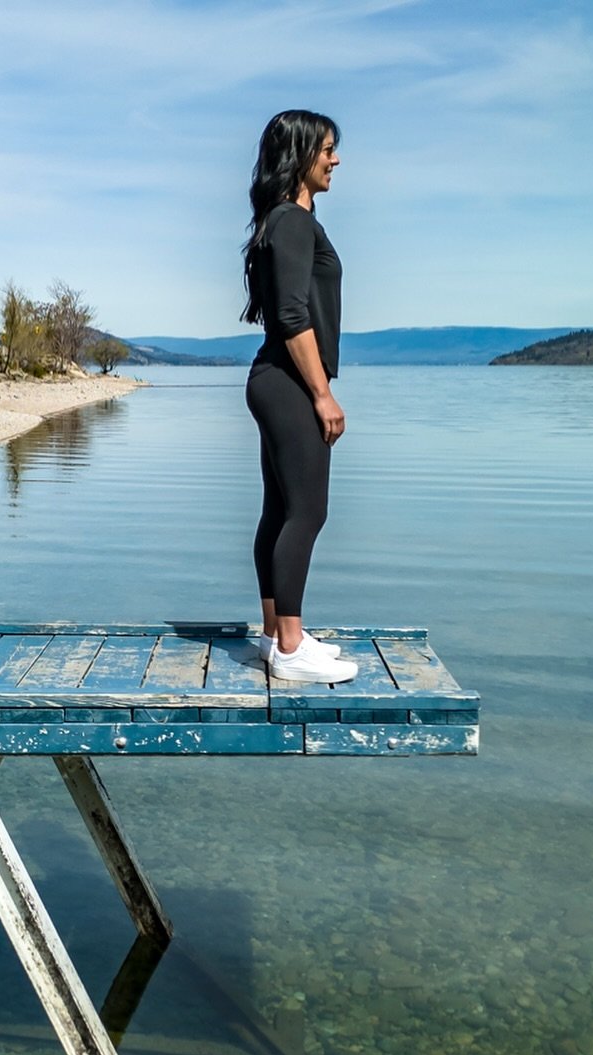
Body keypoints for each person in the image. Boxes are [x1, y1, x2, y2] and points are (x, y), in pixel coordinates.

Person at [242, 109, 357, 683]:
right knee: (308, 511)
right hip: (289, 381)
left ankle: (275, 634)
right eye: (327, 149)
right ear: (301, 155)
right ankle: (290, 648)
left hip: (276, 379)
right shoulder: (291, 221)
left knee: (281, 511)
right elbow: (291, 315)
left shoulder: (281, 220)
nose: (335, 160)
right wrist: (322, 394)